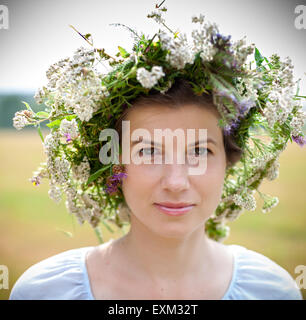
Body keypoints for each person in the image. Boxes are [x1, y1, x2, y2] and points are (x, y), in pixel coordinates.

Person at [9, 79, 303, 300]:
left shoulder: (273, 291)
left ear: (228, 162)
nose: (176, 183)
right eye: (149, 152)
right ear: (114, 166)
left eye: (199, 152)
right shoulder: (44, 291)